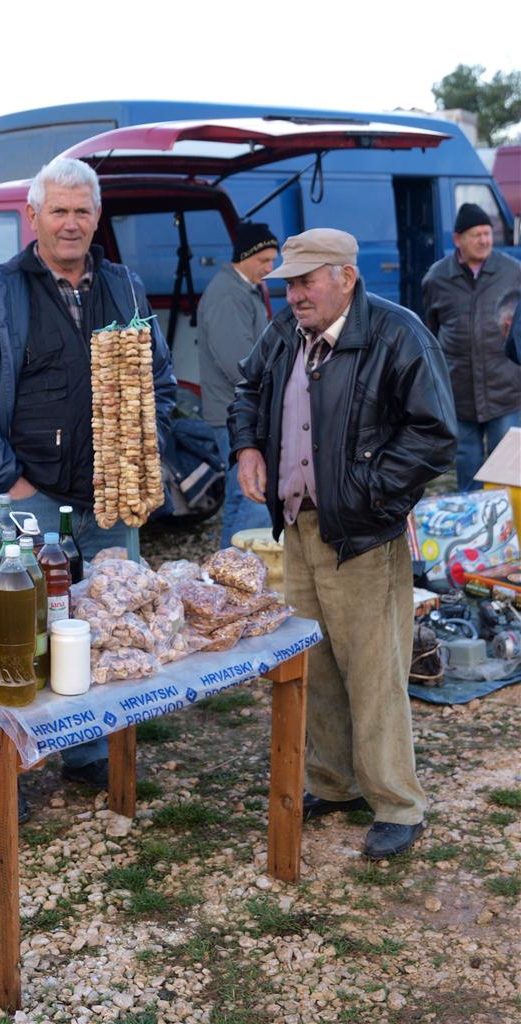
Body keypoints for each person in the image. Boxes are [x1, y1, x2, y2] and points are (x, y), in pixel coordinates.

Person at [0, 157, 176, 820]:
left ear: (97, 218)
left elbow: (161, 380)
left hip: (110, 498)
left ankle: (87, 751)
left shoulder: (125, 289)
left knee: (106, 620)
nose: (71, 224)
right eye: (59, 211)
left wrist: (141, 452)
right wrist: (8, 480)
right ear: (34, 217)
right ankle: (0, 761)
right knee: (14, 626)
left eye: (83, 211)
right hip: (28, 494)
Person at [229, 228, 457, 860]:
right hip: (300, 529)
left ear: (346, 277)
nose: (294, 294)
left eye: (306, 281)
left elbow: (434, 435)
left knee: (375, 671)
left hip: (362, 536)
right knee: (318, 663)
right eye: (289, 283)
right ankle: (333, 783)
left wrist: (366, 494)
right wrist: (248, 446)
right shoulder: (285, 333)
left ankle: (398, 804)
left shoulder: (398, 333)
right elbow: (246, 390)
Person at [422, 203, 521, 491]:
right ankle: (471, 520)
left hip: (505, 386)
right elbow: (432, 330)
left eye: (487, 233)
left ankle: (510, 521)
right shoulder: (437, 277)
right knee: (467, 456)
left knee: (508, 459)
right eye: (476, 234)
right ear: (457, 240)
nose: (484, 240)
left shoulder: (513, 272)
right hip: (459, 388)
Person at [197, 222, 278, 547]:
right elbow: (239, 363)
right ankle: (246, 570)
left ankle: (225, 573)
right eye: (264, 260)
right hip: (236, 412)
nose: (270, 268)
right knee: (254, 492)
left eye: (274, 261)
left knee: (237, 495)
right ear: (246, 255)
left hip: (238, 409)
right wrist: (276, 394)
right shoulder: (227, 295)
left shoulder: (244, 288)